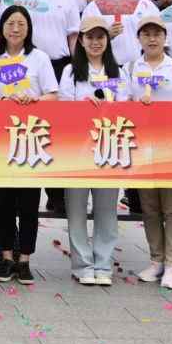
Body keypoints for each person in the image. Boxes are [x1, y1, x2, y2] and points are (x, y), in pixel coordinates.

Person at [0, 4, 56, 284]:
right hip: (1, 139)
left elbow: (53, 95)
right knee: (4, 202)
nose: (15, 29)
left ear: (28, 29)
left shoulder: (39, 58)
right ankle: (6, 257)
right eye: (10, 23)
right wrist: (3, 100)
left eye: (21, 24)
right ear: (2, 28)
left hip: (31, 139)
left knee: (29, 203)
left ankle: (24, 259)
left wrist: (34, 99)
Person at [59, 16, 127, 285]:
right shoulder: (70, 71)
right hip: (77, 151)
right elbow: (63, 107)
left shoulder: (118, 71)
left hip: (108, 149)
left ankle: (104, 265)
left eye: (100, 37)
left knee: (106, 211)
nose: (95, 42)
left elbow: (126, 105)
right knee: (76, 211)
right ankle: (82, 265)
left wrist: (110, 107)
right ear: (81, 41)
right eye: (90, 37)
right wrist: (83, 106)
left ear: (107, 40)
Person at [123, 15, 172, 288]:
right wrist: (137, 106)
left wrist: (167, 111)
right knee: (149, 207)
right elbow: (122, 102)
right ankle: (156, 260)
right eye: (146, 34)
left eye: (157, 34)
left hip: (170, 144)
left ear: (165, 37)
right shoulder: (130, 67)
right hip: (141, 145)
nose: (152, 39)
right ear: (139, 38)